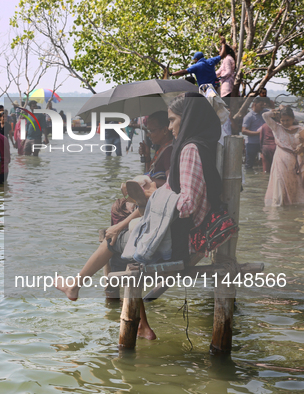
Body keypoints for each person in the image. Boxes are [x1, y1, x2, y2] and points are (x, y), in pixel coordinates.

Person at [57, 93, 223, 341]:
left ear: (186, 119)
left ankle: (78, 286)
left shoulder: (189, 149)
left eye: (172, 120)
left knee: (115, 241)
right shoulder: (201, 145)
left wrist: (151, 199)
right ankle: (139, 323)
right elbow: (179, 194)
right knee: (125, 236)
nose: (170, 127)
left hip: (181, 241)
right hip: (187, 235)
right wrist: (149, 195)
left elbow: (186, 205)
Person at [262, 106, 304, 206]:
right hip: (280, 160)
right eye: (282, 120)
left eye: (287, 120)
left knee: (293, 184)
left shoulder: (300, 129)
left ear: (293, 119)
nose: (285, 123)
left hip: (295, 161)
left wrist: (301, 147)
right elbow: (265, 115)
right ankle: (280, 206)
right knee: (280, 182)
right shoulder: (277, 128)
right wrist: (276, 112)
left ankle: (292, 208)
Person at [138, 111, 174, 187]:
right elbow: (150, 173)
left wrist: (146, 180)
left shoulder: (169, 151)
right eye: (148, 131)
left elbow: (171, 185)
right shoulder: (162, 148)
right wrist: (147, 157)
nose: (148, 134)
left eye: (152, 131)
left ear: (165, 130)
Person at [242, 97, 269, 169]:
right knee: (249, 164)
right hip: (252, 143)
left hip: (263, 143)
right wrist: (258, 133)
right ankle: (249, 179)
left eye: (264, 105)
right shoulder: (249, 116)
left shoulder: (264, 113)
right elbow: (244, 131)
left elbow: (274, 112)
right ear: (254, 104)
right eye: (261, 105)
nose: (262, 107)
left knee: (267, 162)